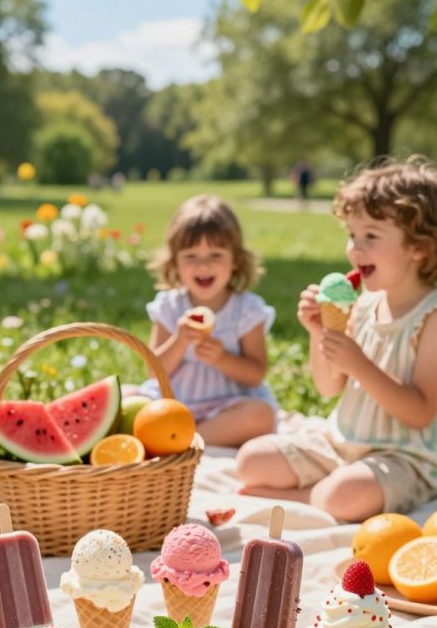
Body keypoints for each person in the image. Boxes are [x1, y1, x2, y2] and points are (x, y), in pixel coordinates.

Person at [237, 158, 437, 521]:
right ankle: (321, 490)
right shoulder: (362, 306)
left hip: (406, 456)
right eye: (352, 235)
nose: (355, 249)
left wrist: (360, 363)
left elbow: (421, 413)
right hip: (342, 442)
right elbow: (329, 386)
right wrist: (319, 333)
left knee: (345, 496)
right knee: (251, 459)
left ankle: (308, 496)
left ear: (418, 247)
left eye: (371, 236)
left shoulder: (431, 317)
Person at [136, 194, 277, 447]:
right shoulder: (170, 306)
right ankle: (177, 436)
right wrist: (179, 342)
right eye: (191, 256)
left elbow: (255, 374)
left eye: (215, 255)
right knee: (126, 398)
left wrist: (223, 359)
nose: (203, 266)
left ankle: (188, 442)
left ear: (235, 260)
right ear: (175, 262)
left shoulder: (247, 310)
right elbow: (153, 371)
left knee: (260, 415)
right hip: (173, 403)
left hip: (225, 405)